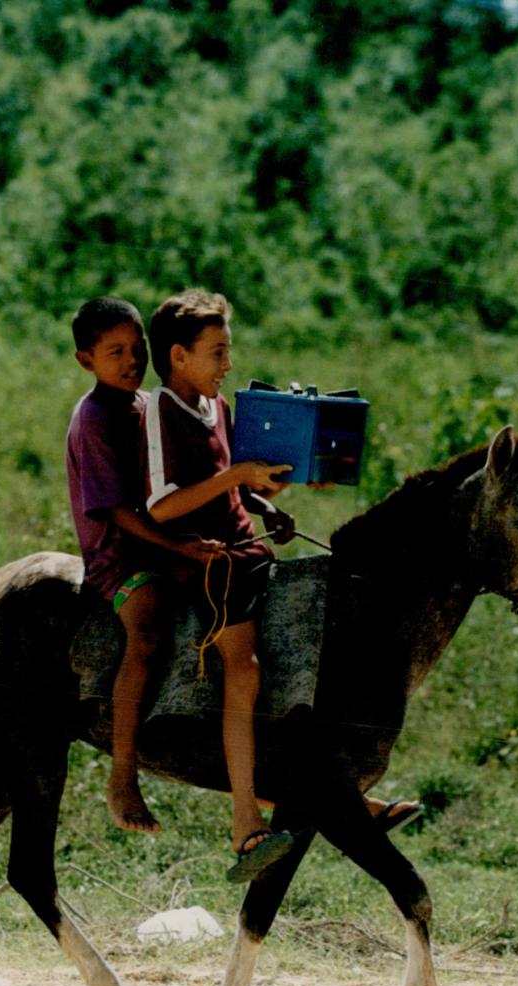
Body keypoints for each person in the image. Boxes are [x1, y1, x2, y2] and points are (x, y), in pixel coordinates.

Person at [141, 288, 312, 883]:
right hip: (204, 562)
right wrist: (240, 477)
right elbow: (162, 507)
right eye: (217, 353)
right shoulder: (159, 411)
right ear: (179, 356)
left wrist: (267, 503)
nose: (227, 365)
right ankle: (244, 822)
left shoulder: (217, 408)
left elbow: (232, 487)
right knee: (246, 671)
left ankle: (317, 792)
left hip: (245, 545)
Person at [66, 296, 220, 834]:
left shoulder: (149, 406)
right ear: (86, 361)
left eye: (137, 350)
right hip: (120, 555)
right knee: (150, 632)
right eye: (115, 353)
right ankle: (123, 775)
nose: (132, 362)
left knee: (236, 603)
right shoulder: (94, 419)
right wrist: (179, 549)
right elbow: (116, 512)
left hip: (165, 540)